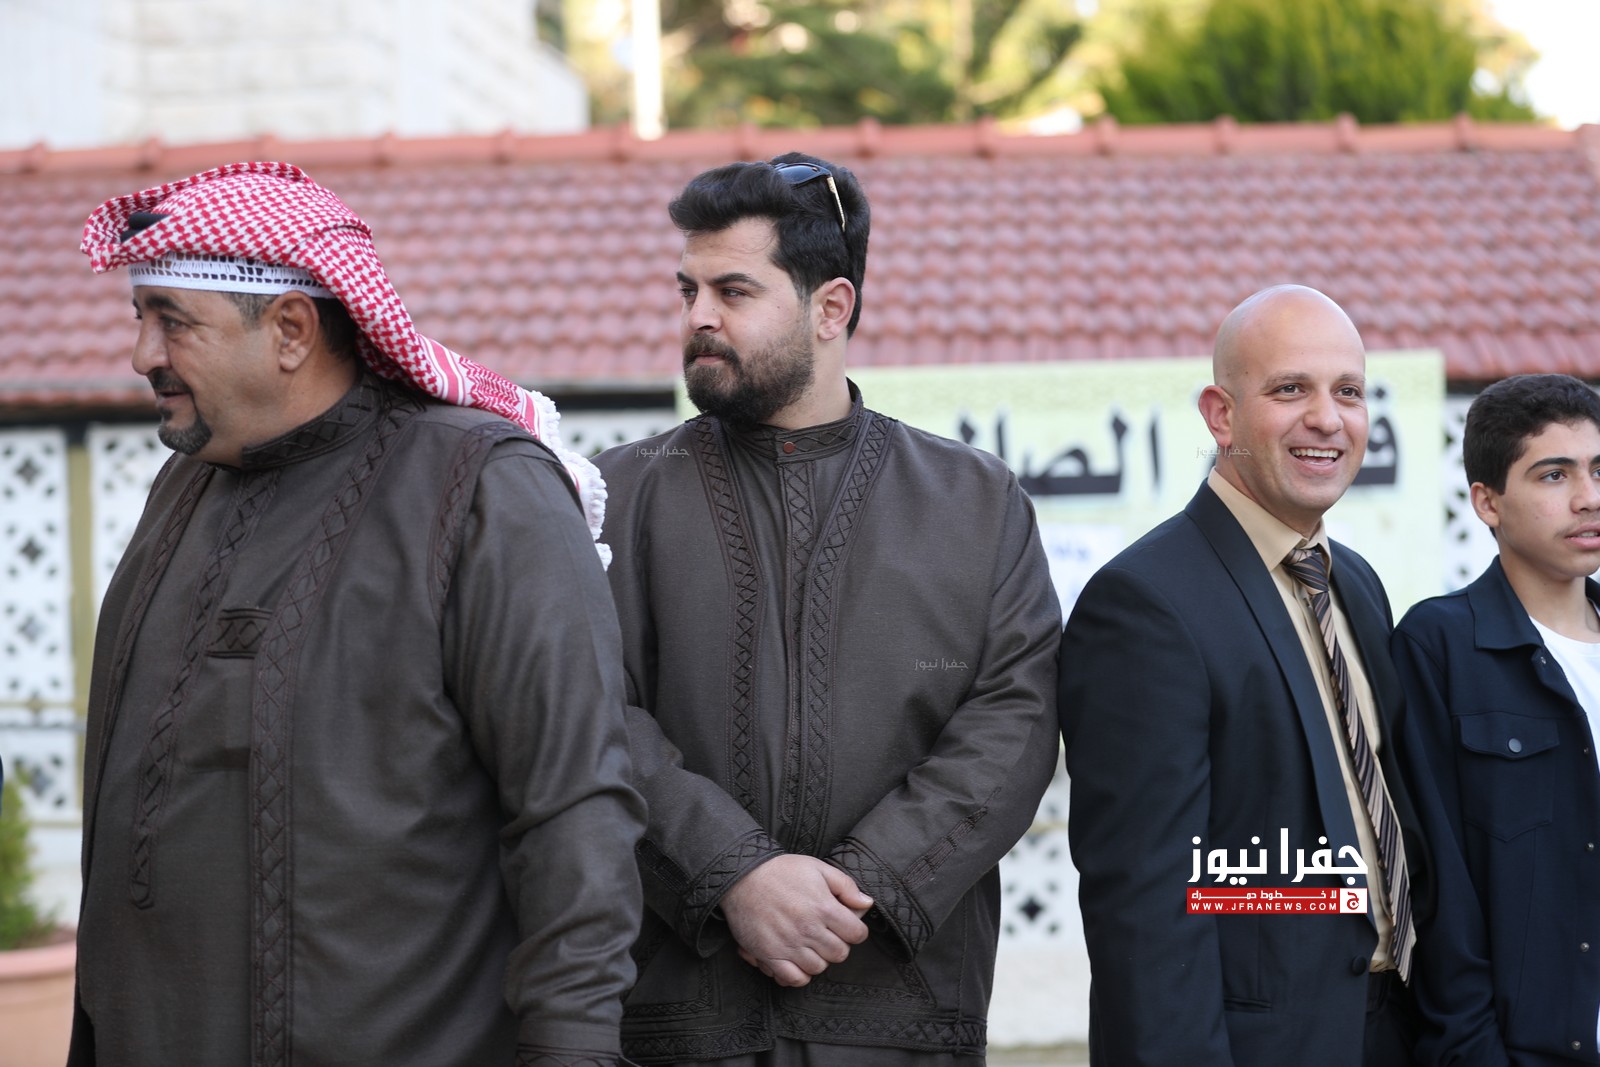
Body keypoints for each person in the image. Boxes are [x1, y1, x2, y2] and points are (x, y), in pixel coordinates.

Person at [71, 161, 645, 1066]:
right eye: (140, 318)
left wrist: (573, 1049)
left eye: (172, 320)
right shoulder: (182, 487)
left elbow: (573, 806)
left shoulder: (480, 489)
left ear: (291, 330)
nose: (143, 353)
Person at [594, 153, 1062, 1066]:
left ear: (832, 307)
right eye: (688, 290)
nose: (697, 316)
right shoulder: (621, 496)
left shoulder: (974, 501)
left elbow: (1015, 720)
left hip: (898, 1008)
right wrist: (734, 872)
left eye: (733, 291)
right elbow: (587, 711)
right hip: (681, 1017)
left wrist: (858, 890)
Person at [1060, 284, 1429, 1066]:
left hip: (1396, 1030)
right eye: (1291, 389)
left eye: (1349, 391)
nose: (1328, 418)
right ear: (1221, 415)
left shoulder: (1356, 583)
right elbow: (1148, 909)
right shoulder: (1145, 603)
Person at [1391, 373, 1600, 1065]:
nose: (1588, 497)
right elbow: (1436, 887)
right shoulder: (1440, 647)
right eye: (1554, 475)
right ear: (1486, 501)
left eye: (1599, 470)